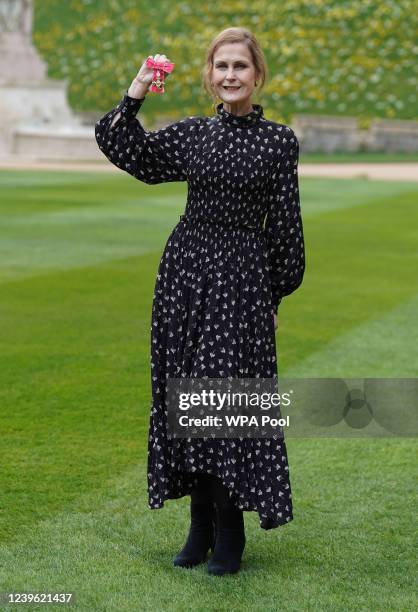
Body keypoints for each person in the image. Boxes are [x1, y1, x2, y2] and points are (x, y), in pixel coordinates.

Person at [95, 26, 305, 576]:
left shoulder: (279, 142)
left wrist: (275, 295)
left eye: (240, 66)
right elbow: (125, 148)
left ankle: (229, 531)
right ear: (209, 76)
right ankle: (199, 526)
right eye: (221, 67)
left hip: (242, 286)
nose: (230, 76)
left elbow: (286, 227)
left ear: (257, 75)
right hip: (185, 279)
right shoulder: (191, 135)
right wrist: (137, 87)